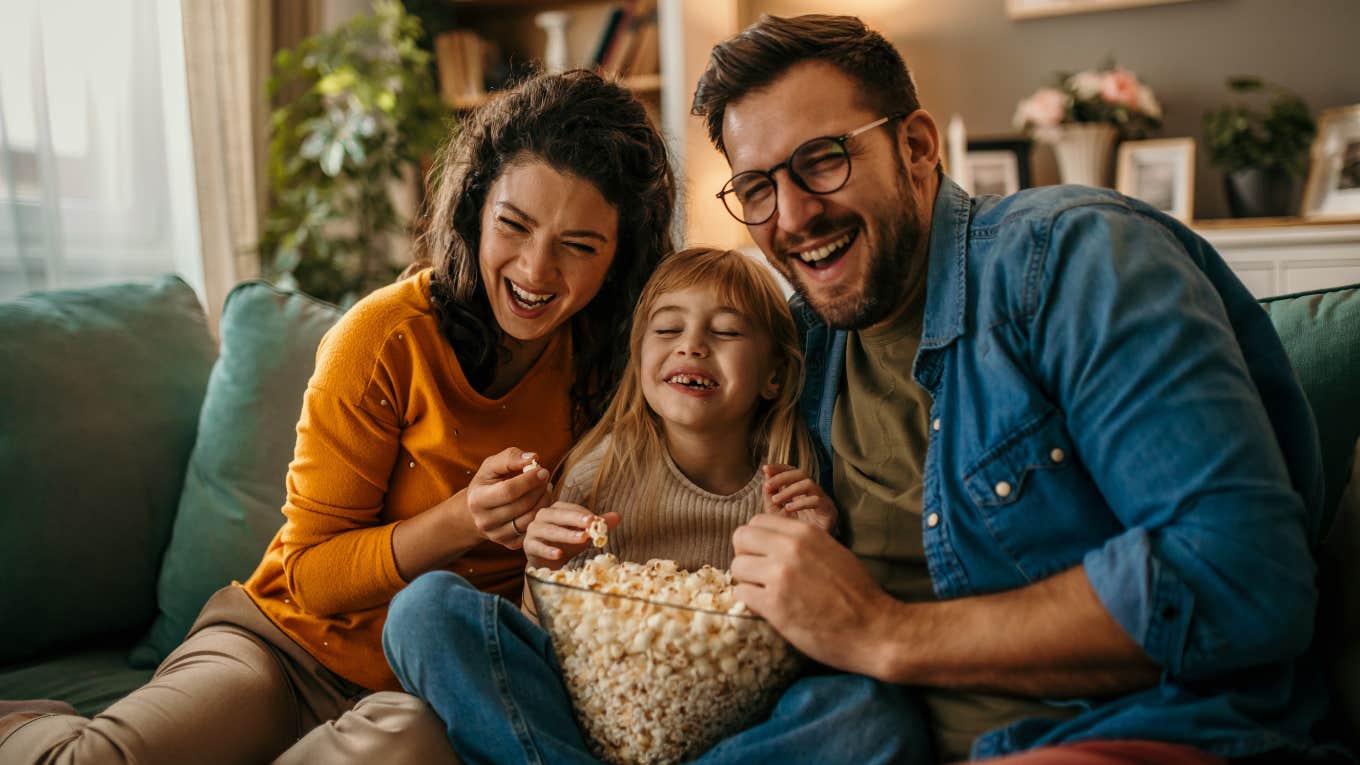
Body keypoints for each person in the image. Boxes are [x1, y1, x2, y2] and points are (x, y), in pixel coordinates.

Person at [691, 13, 1343, 765]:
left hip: (1142, 734)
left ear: (916, 147)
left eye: (823, 159)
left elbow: (1243, 580)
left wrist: (883, 632)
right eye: (758, 188)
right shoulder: (801, 346)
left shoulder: (1073, 259)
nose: (795, 214)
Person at [0, 69, 675, 765]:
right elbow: (312, 575)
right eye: (514, 225)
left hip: (425, 692)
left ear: (620, 257)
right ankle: (26, 727)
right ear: (475, 209)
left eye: (579, 245)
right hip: (281, 647)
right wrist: (464, 517)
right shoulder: (385, 338)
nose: (536, 269)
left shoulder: (611, 368)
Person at [381, 247, 926, 765]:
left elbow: (805, 652)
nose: (691, 345)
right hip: (584, 710)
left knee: (872, 713)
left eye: (727, 331)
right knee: (423, 610)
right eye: (667, 329)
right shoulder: (599, 472)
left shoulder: (793, 488)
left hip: (733, 727)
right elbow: (547, 639)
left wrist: (816, 551)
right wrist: (543, 569)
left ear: (774, 375)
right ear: (640, 358)